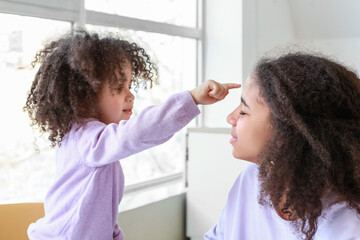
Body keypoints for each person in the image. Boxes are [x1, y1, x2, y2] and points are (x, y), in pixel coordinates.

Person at [24, 29, 240, 240]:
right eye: (119, 87)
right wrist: (191, 99)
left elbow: (102, 216)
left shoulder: (98, 146)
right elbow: (138, 132)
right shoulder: (87, 140)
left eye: (129, 85)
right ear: (84, 97)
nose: (130, 95)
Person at [205, 52, 360, 240]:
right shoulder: (250, 179)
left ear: (286, 133)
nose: (230, 118)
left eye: (244, 111)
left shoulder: (349, 225)